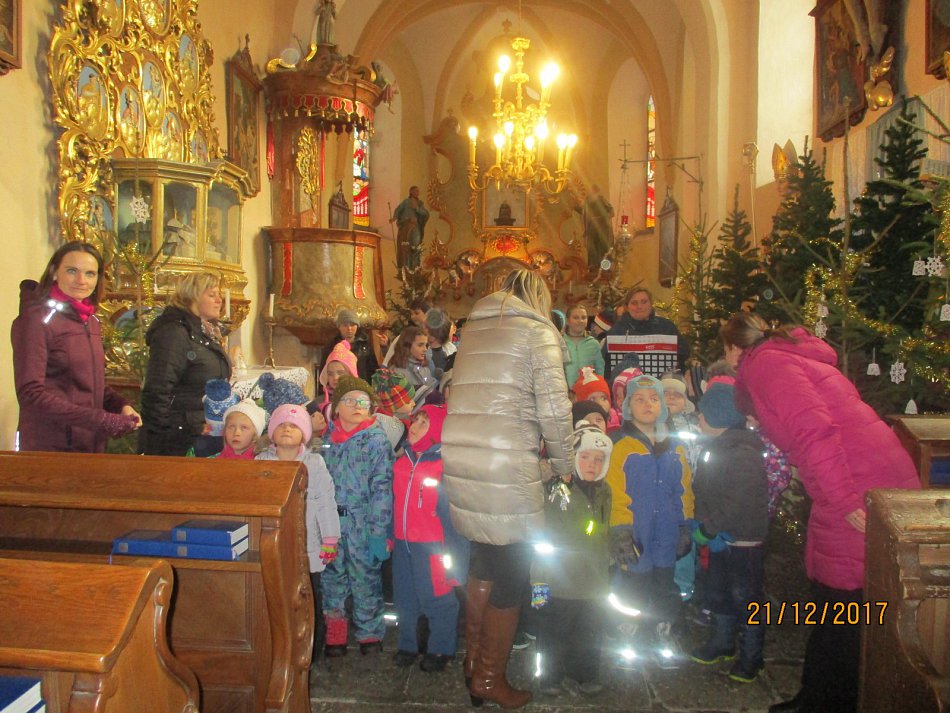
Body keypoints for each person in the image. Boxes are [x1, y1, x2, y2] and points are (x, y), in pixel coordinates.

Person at [720, 312, 919, 713]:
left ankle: (829, 701)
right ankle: (821, 695)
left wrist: (845, 501)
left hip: (855, 480)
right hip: (857, 473)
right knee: (837, 594)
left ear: (734, 349)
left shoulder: (766, 364)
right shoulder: (785, 356)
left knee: (843, 597)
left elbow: (816, 432)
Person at [443, 268, 574, 709]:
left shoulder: (474, 329)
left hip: (466, 456)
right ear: (538, 297)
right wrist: (564, 464)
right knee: (514, 571)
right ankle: (488, 679)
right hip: (507, 465)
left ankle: (473, 662)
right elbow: (554, 408)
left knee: (484, 560)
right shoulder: (537, 332)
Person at [12, 240, 140, 452]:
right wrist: (100, 420)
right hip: (50, 446)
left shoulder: (91, 320)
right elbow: (30, 393)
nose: (81, 281)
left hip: (88, 443)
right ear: (54, 272)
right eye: (72, 271)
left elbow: (87, 383)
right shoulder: (37, 320)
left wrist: (119, 404)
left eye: (90, 274)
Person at [606, 374, 693, 658]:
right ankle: (627, 634)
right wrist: (620, 530)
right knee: (632, 588)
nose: (648, 405)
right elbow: (614, 491)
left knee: (664, 586)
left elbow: (684, 490)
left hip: (666, 533)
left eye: (654, 399)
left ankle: (662, 630)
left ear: (662, 406)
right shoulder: (619, 445)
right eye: (640, 399)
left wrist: (684, 526)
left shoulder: (675, 447)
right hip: (636, 534)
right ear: (628, 406)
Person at [688, 381, 768, 683]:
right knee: (718, 591)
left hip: (743, 539)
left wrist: (709, 528)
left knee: (746, 597)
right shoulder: (716, 448)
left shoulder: (742, 453)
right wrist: (702, 523)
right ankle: (722, 642)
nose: (699, 418)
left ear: (719, 416)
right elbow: (704, 491)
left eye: (704, 413)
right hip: (721, 538)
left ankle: (751, 656)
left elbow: (737, 500)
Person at [531, 423, 613, 697]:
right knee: (553, 633)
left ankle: (585, 673)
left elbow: (603, 530)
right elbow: (541, 534)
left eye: (599, 459)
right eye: (585, 457)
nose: (592, 464)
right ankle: (550, 676)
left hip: (593, 582)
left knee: (589, 633)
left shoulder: (604, 491)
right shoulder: (556, 489)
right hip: (558, 581)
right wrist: (538, 583)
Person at [256, 403, 341, 665]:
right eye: (281, 425)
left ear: (304, 433)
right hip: (273, 541)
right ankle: (279, 649)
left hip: (308, 543)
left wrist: (330, 538)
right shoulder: (261, 462)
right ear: (271, 432)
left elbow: (326, 501)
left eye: (293, 426)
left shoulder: (314, 462)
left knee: (308, 596)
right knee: (276, 596)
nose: (286, 429)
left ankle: (312, 649)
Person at [321, 375, 395, 657]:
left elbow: (382, 488)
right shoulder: (328, 440)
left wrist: (378, 531)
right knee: (333, 577)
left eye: (363, 402)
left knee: (365, 578)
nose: (356, 406)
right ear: (336, 408)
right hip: (331, 524)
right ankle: (336, 631)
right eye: (349, 400)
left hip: (363, 524)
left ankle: (369, 632)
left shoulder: (376, 441)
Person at [392, 405, 469, 672]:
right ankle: (408, 645)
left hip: (432, 547)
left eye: (424, 423)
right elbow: (393, 503)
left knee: (438, 598)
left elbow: (453, 517)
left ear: (437, 431)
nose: (414, 427)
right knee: (405, 598)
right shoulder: (402, 461)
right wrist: (389, 536)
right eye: (415, 421)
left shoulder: (444, 467)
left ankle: (441, 649)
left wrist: (457, 559)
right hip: (403, 544)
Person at [139, 272, 231, 455]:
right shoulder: (174, 332)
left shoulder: (202, 331)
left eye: (219, 294)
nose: (219, 300)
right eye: (211, 295)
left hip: (198, 430)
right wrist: (165, 436)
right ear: (192, 297)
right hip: (178, 438)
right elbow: (158, 389)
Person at [603, 288, 689, 379]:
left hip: (663, 381)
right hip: (627, 382)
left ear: (651, 304)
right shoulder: (617, 330)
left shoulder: (666, 326)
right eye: (634, 303)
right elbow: (606, 362)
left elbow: (684, 354)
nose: (639, 306)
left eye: (644, 302)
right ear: (627, 307)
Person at [320, 309, 379, 385]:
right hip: (338, 388)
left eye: (352, 325)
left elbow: (374, 371)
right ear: (339, 327)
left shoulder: (365, 346)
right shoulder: (331, 347)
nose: (349, 328)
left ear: (357, 326)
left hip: (362, 387)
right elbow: (324, 374)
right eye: (345, 325)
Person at [574, 185, 614, 273]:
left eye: (593, 191)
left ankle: (605, 268)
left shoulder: (601, 200)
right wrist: (575, 205)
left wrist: (603, 217)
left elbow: (611, 211)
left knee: (603, 248)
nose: (591, 192)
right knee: (591, 248)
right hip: (591, 227)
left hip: (602, 227)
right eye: (590, 191)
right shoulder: (587, 202)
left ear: (596, 191)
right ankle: (593, 267)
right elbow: (582, 211)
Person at [562, 305, 605, 387]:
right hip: (565, 391)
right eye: (576, 317)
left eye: (584, 317)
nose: (580, 321)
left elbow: (600, 371)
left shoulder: (593, 344)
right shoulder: (560, 342)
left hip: (588, 390)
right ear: (567, 321)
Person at [389, 325, 437, 390]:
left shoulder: (424, 367)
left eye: (426, 345)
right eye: (420, 345)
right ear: (407, 346)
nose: (425, 349)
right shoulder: (397, 372)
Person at [392, 186, 429, 270]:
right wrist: (394, 217)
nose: (418, 193)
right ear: (411, 192)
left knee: (415, 246)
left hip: (415, 227)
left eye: (418, 191)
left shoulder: (419, 203)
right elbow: (398, 209)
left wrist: (417, 209)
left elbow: (425, 214)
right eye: (416, 191)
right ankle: (405, 266)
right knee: (405, 246)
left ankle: (415, 267)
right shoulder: (406, 202)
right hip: (405, 227)